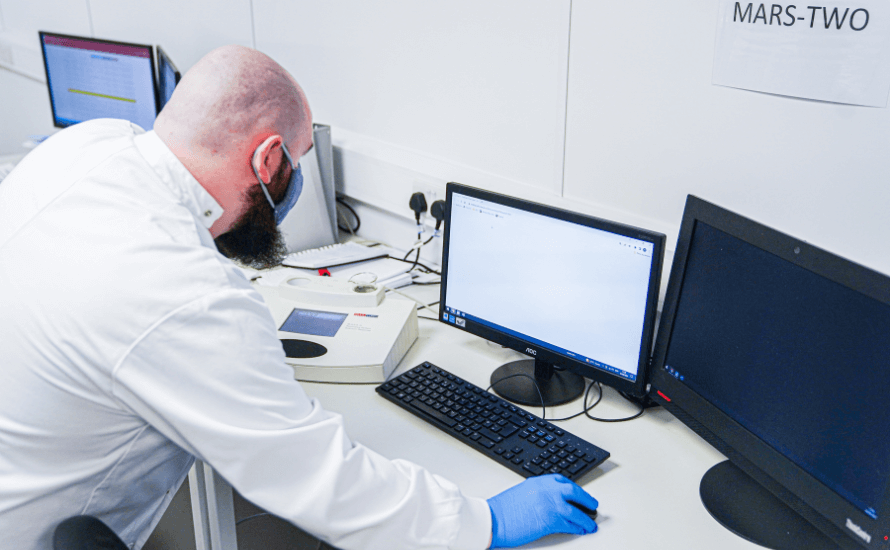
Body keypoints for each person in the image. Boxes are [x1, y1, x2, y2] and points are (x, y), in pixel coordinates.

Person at [0, 45, 599, 549]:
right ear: (267, 159)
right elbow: (319, 482)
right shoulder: (183, 295)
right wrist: (486, 521)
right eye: (297, 162)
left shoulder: (88, 147)